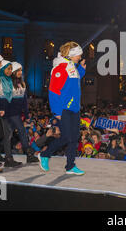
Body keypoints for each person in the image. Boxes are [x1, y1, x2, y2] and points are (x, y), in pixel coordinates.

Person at [38, 41, 86, 175]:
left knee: (74, 137)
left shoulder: (72, 66)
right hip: (64, 109)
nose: (80, 57)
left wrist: (81, 68)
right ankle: (45, 155)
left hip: (74, 108)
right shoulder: (60, 68)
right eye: (78, 55)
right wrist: (57, 111)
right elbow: (53, 91)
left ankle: (70, 166)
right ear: (71, 55)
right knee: (67, 137)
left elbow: (75, 79)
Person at [2, 61, 38, 164]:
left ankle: (8, 158)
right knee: (21, 132)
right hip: (9, 114)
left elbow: (24, 101)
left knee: (8, 136)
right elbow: (5, 100)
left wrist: (26, 115)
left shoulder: (22, 84)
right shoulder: (8, 83)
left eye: (21, 70)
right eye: (18, 70)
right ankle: (28, 154)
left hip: (16, 114)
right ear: (13, 71)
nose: (20, 72)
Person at [0, 60, 22, 167]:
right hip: (1, 111)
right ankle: (7, 158)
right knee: (5, 134)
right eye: (8, 69)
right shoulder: (1, 80)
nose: (10, 71)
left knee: (6, 134)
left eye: (11, 69)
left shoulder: (8, 80)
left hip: (8, 111)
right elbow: (1, 96)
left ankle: (2, 155)